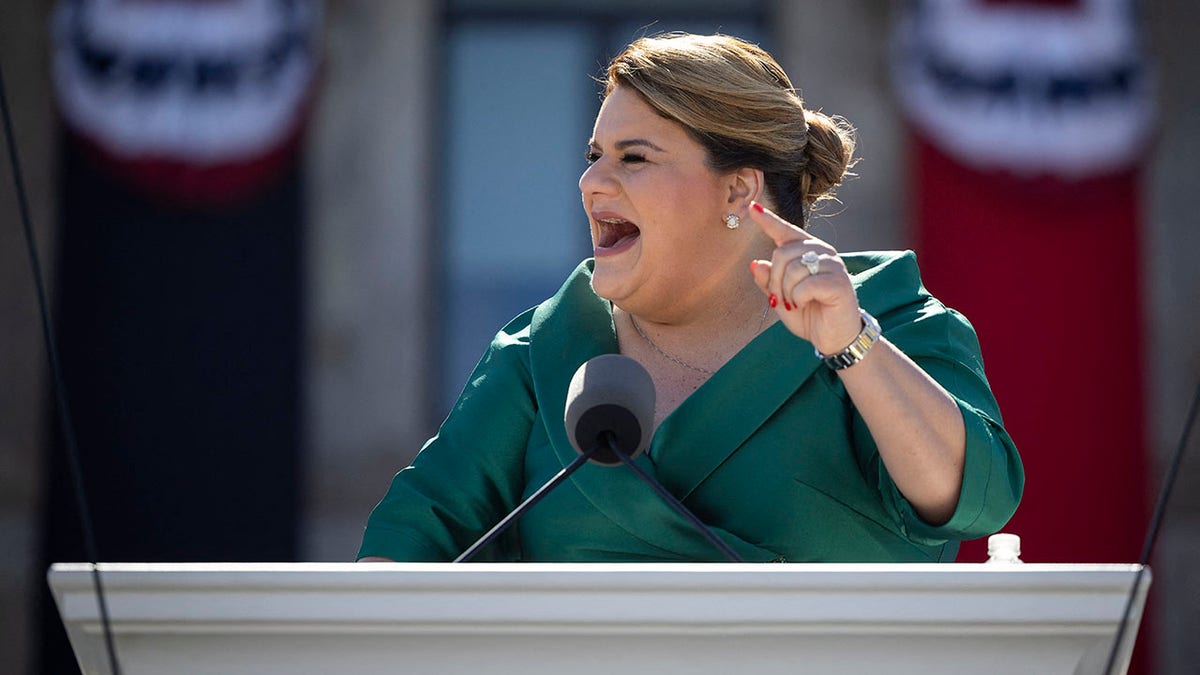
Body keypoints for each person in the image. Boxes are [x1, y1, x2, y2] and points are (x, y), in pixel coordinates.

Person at [358, 33, 1022, 563]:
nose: (591, 181)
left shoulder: (894, 318)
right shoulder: (542, 353)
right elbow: (407, 543)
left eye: (633, 157)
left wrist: (853, 344)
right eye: (593, 155)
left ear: (738, 192)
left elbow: (974, 500)